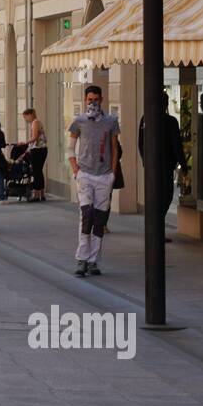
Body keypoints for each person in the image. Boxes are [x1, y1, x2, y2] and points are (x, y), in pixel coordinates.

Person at [68, 84, 120, 277]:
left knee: (99, 219)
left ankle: (93, 260)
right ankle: (82, 258)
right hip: (85, 174)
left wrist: (112, 173)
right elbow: (70, 148)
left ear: (102, 100)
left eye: (96, 100)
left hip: (104, 175)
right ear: (85, 100)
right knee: (86, 215)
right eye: (90, 100)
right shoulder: (79, 121)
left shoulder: (111, 121)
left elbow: (115, 149)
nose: (93, 103)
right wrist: (75, 169)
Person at [139, 90, 185, 242]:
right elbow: (176, 145)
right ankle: (157, 230)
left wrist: (145, 161)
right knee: (165, 197)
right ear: (165, 105)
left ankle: (154, 229)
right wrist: (183, 165)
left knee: (155, 197)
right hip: (165, 166)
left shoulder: (145, 119)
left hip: (152, 167)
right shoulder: (171, 121)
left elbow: (140, 143)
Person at [21, 108, 48, 201]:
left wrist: (24, 143)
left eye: (25, 117)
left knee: (36, 171)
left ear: (30, 115)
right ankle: (41, 193)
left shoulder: (35, 123)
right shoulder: (37, 122)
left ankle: (36, 194)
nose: (26, 120)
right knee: (39, 171)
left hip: (38, 150)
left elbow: (34, 138)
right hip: (41, 149)